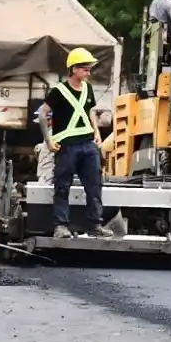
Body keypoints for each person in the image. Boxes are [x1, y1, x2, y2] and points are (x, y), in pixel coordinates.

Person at [40, 48, 113, 240]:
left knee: (94, 185)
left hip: (87, 144)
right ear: (74, 69)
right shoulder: (59, 91)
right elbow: (42, 113)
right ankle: (60, 225)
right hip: (66, 146)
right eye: (85, 69)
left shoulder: (87, 88)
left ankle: (95, 224)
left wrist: (96, 131)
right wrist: (48, 140)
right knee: (62, 186)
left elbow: (90, 111)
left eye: (89, 69)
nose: (88, 73)